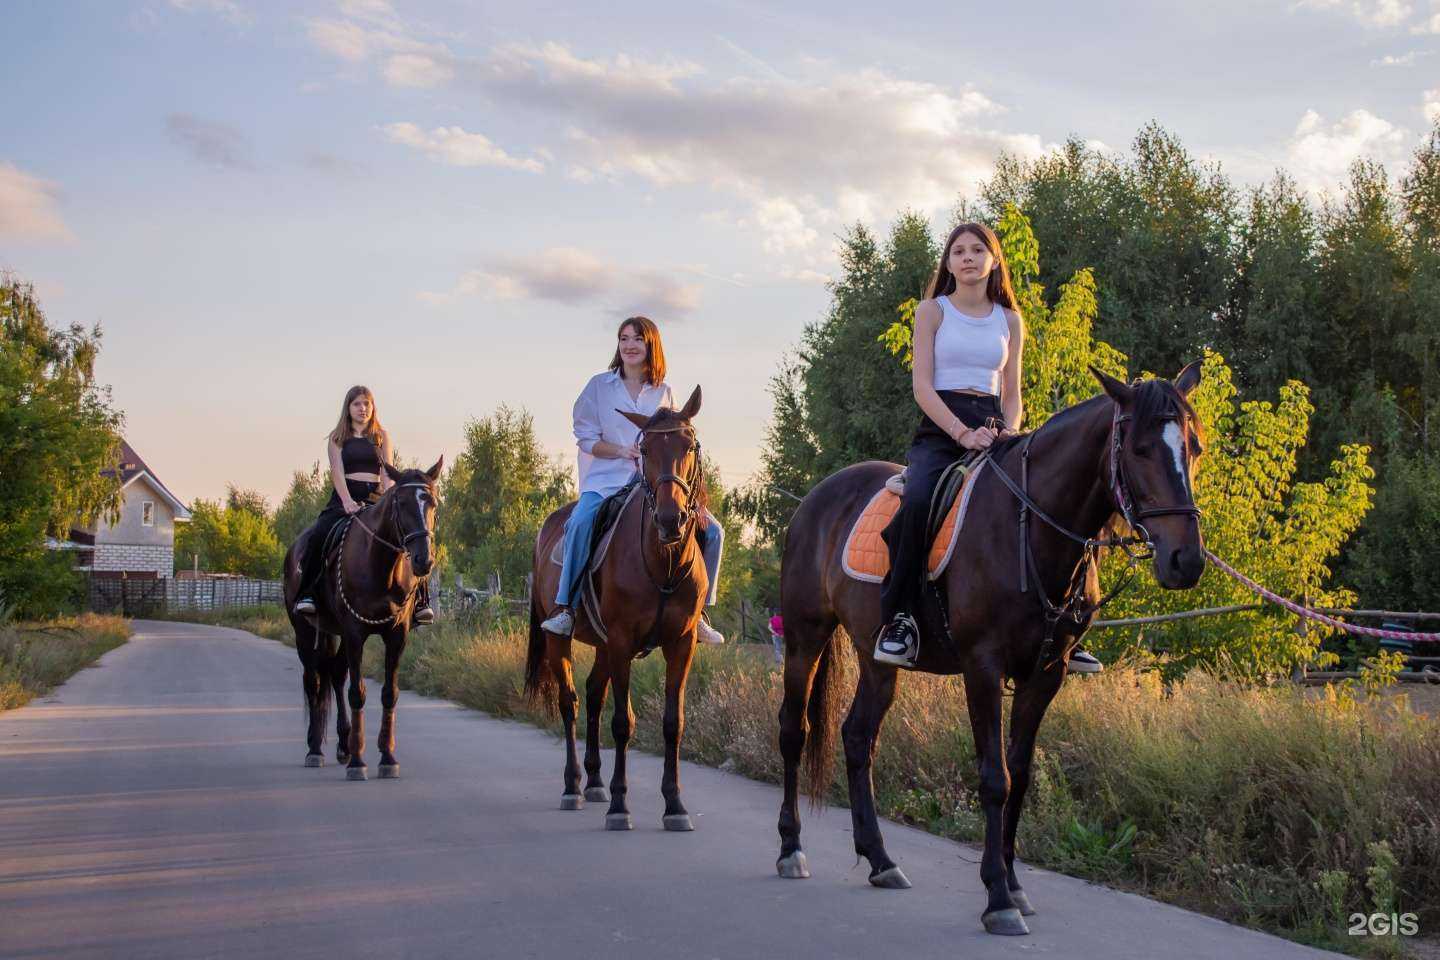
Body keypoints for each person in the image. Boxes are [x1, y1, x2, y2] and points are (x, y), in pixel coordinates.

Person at [873, 222, 1101, 674]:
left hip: (997, 428)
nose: (968, 258)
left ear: (994, 260)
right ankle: (900, 618)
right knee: (917, 501)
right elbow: (922, 388)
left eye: (978, 250)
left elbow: (1012, 392)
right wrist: (961, 434)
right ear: (948, 262)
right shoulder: (932, 312)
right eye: (958, 251)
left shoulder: (1009, 319)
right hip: (943, 429)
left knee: (1061, 498)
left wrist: (1008, 432)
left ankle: (1068, 624)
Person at [540, 316, 725, 645]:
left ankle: (699, 613)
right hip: (606, 480)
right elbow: (586, 439)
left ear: (651, 345)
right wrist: (620, 450)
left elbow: (675, 441)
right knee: (580, 523)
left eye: (637, 339)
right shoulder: (599, 387)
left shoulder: (664, 391)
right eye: (624, 338)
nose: (629, 345)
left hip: (653, 484)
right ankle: (566, 608)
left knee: (713, 532)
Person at [292, 385, 435, 625]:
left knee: (410, 533)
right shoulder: (338, 438)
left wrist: (388, 498)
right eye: (357, 404)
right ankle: (308, 594)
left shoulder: (381, 436)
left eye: (366, 404)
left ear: (372, 407)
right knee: (319, 534)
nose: (362, 408)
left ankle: (421, 600)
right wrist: (347, 501)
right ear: (348, 408)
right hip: (344, 499)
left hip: (376, 499)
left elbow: (387, 471)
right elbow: (337, 472)